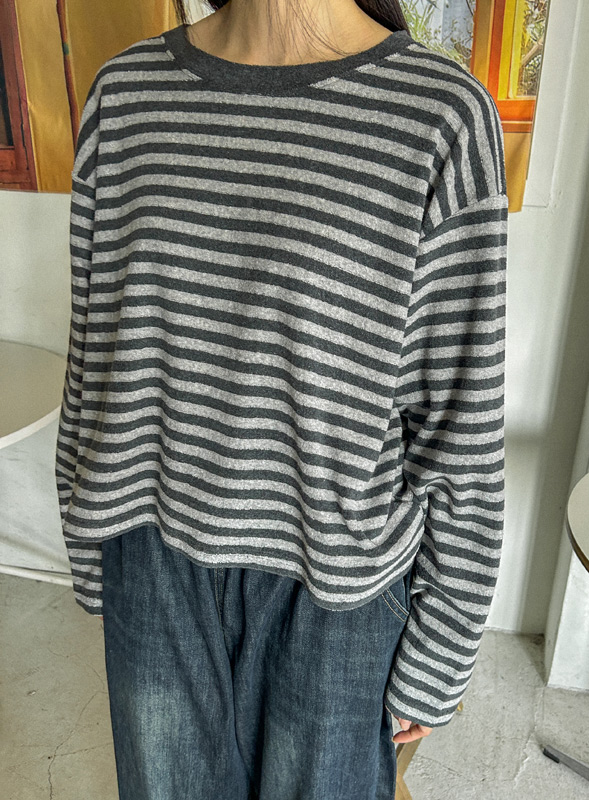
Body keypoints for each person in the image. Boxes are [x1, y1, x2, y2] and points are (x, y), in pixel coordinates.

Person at [55, 0, 508, 796]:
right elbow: (95, 352)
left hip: (333, 589)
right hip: (150, 556)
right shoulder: (124, 98)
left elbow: (461, 421)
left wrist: (444, 643)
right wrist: (88, 542)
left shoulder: (439, 117)